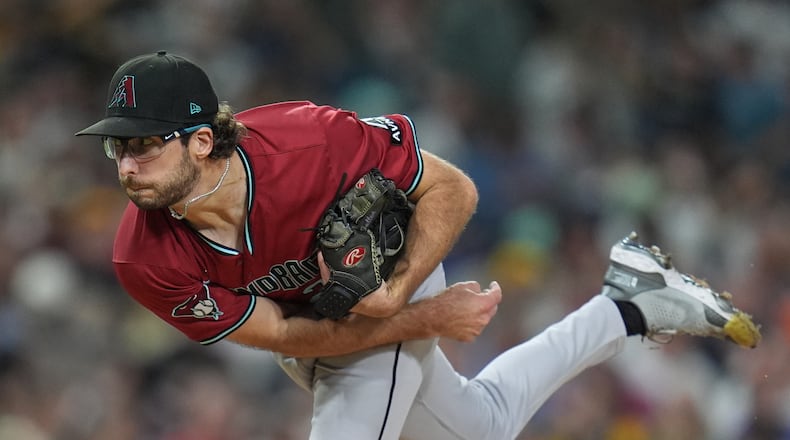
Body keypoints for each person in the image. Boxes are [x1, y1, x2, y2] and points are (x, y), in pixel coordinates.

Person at [76, 51, 760, 439]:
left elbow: (453, 188)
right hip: (328, 331)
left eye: (141, 144)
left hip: (390, 279)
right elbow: (282, 330)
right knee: (483, 427)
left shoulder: (308, 141)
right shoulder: (142, 259)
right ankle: (626, 305)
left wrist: (399, 296)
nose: (125, 164)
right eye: (117, 145)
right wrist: (423, 321)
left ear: (201, 140)